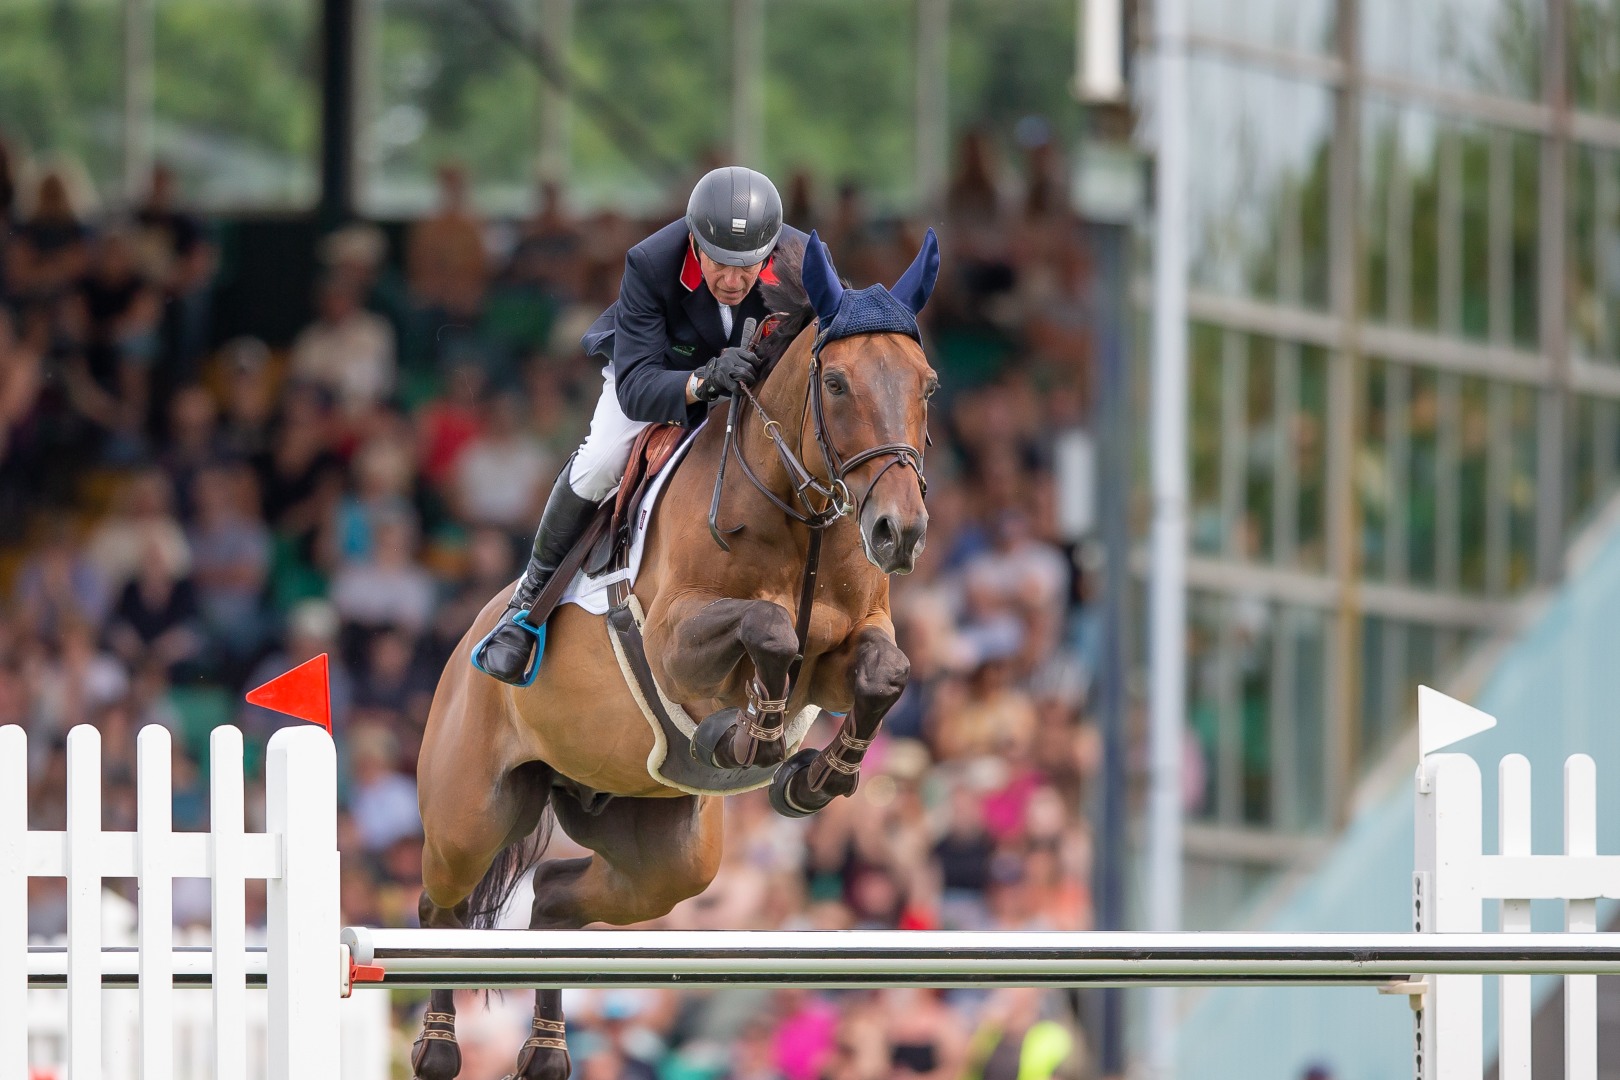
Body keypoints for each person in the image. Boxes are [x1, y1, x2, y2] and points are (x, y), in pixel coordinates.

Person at [472, 166, 807, 684]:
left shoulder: (801, 260)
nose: (735, 281)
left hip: (759, 385)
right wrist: (700, 382)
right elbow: (635, 385)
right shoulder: (652, 262)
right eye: (721, 264)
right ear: (696, 241)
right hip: (664, 373)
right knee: (601, 459)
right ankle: (525, 607)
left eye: (749, 267)